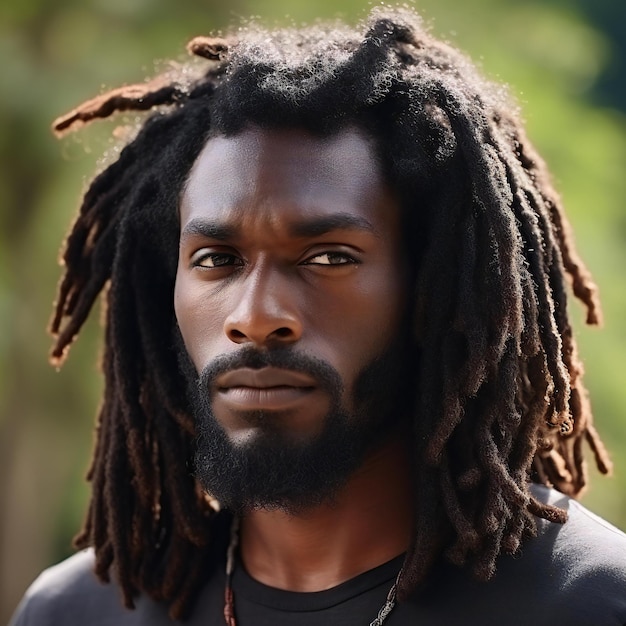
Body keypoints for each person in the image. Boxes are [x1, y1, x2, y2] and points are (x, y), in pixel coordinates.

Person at [10, 6, 626, 626]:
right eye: (217, 259)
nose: (254, 317)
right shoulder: (76, 612)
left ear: (430, 291)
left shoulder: (590, 602)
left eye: (328, 257)